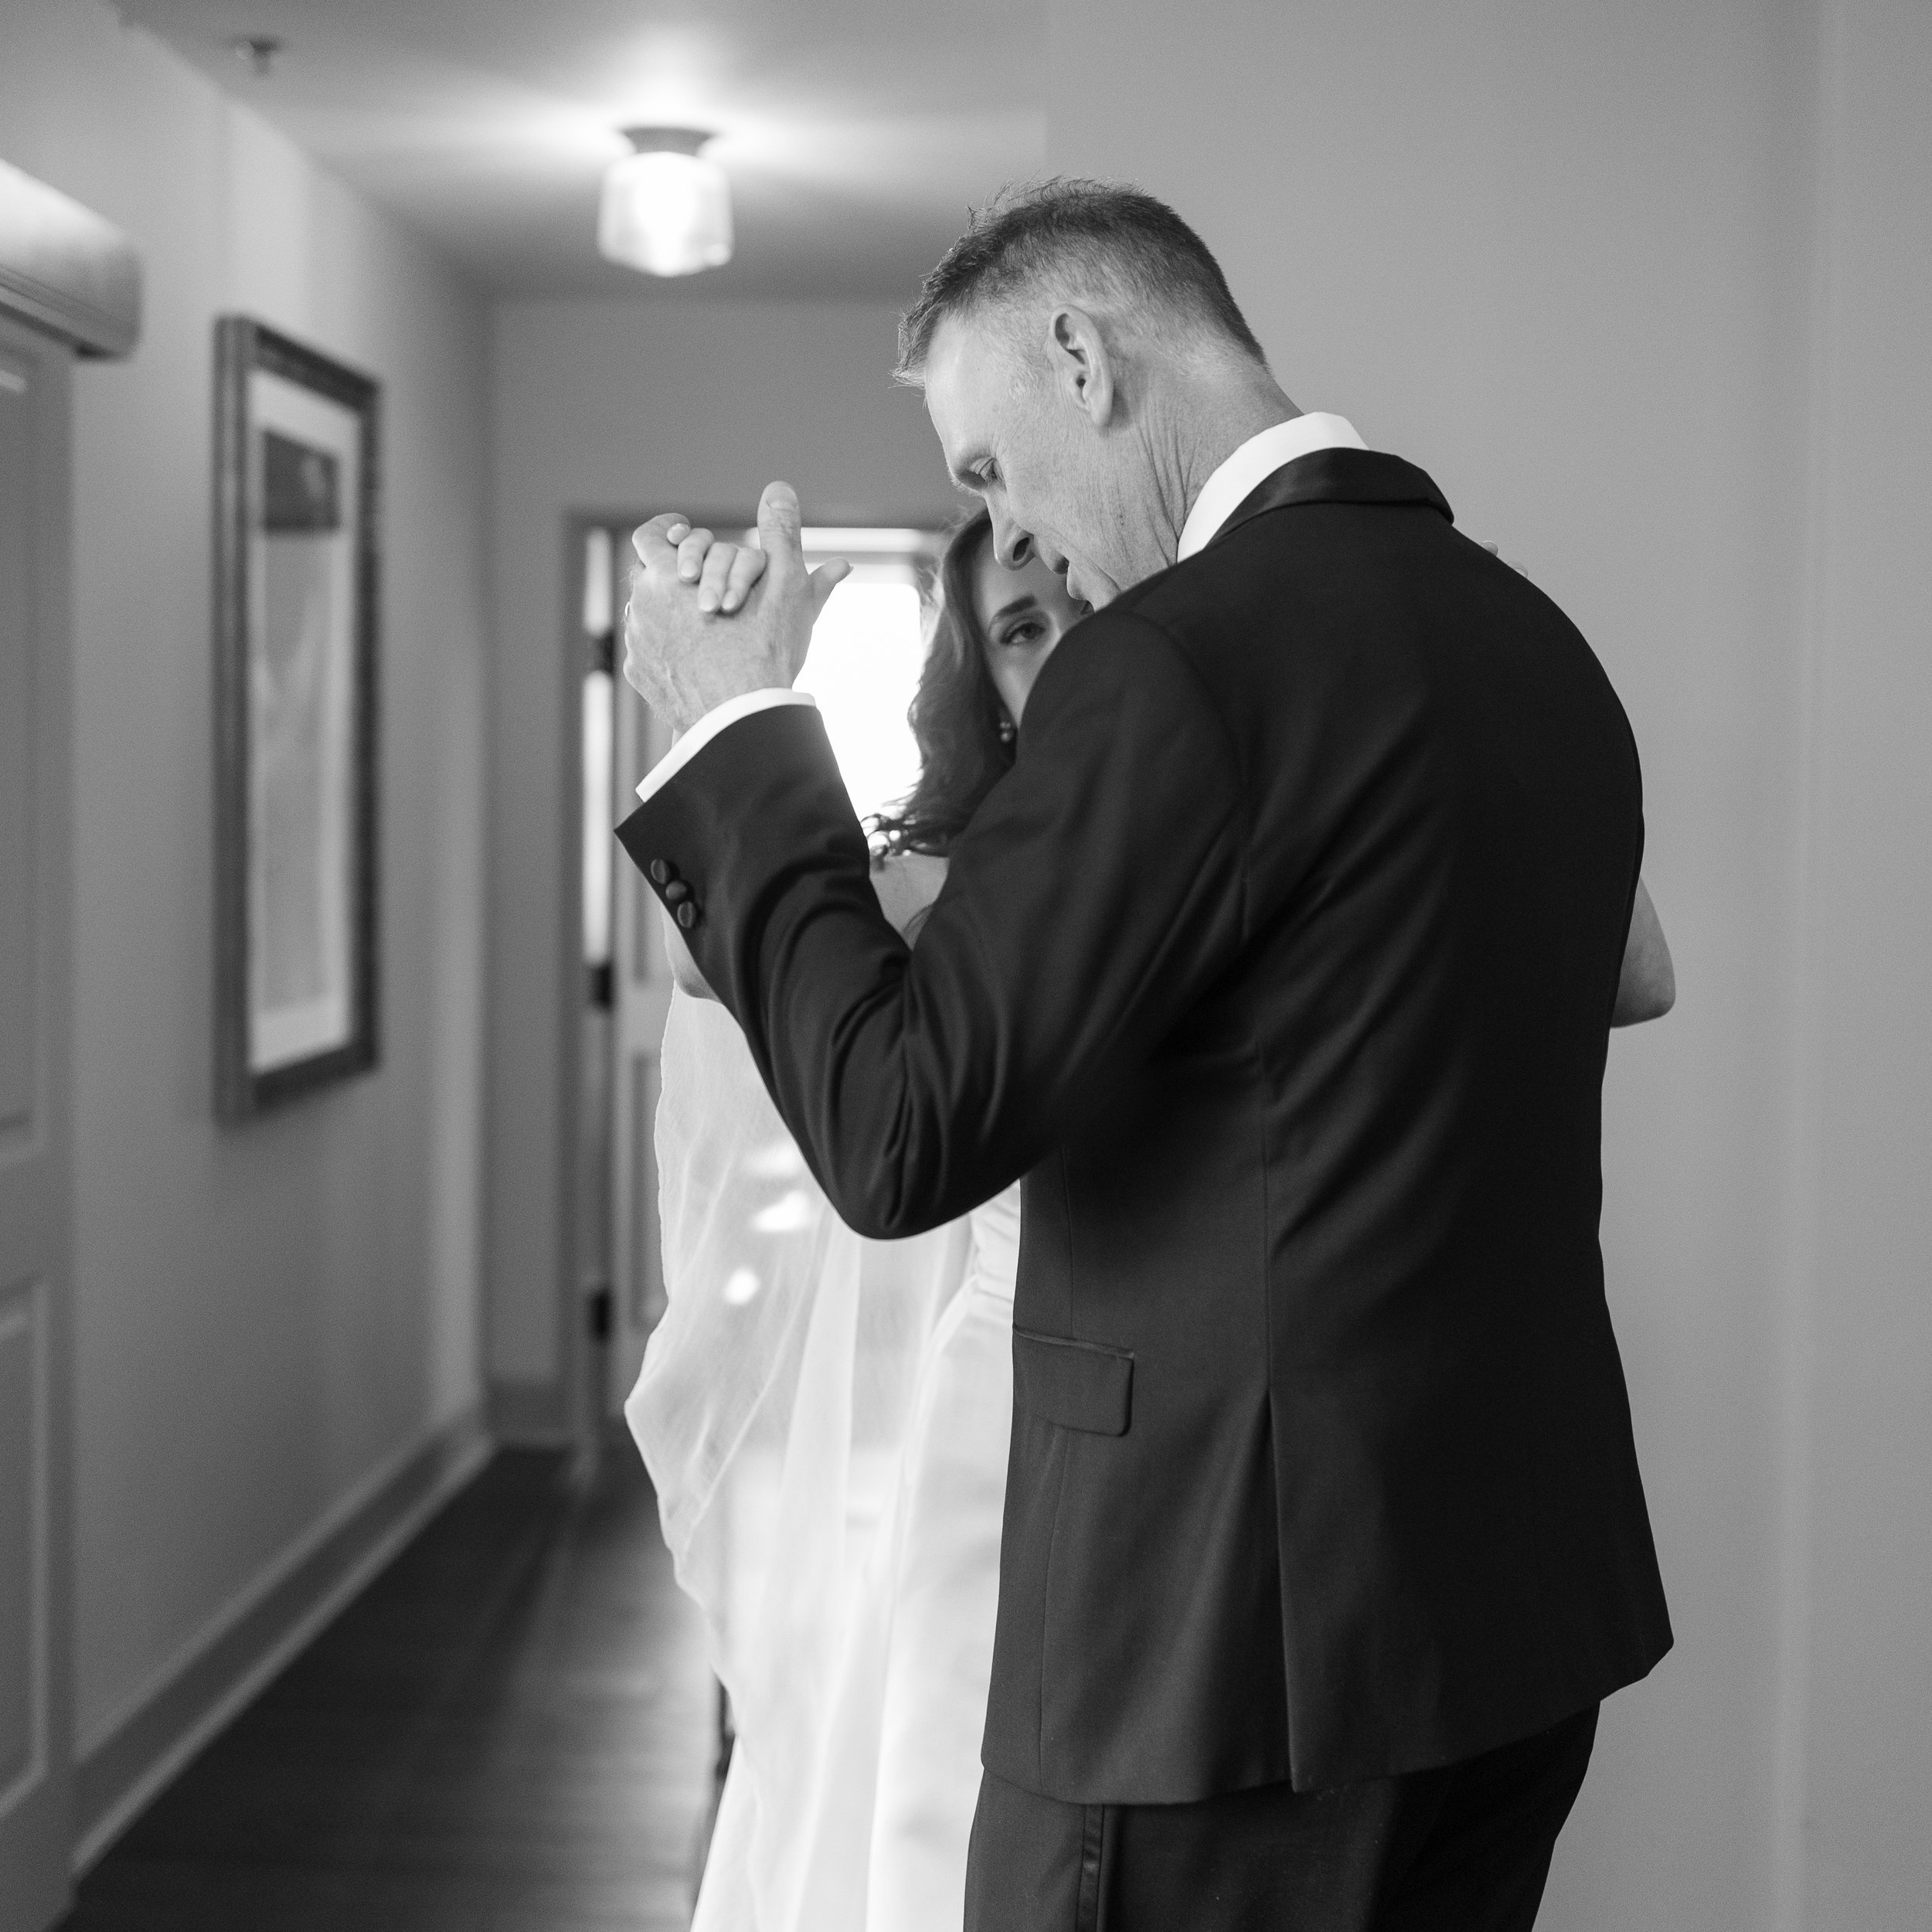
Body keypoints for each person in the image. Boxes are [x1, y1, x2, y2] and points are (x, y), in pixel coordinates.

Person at [618, 179, 1677, 1931]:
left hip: (1219, 1658)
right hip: (1503, 1635)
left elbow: (896, 1131)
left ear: (1079, 355)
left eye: (987, 466)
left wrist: (734, 720)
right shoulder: (1529, 641)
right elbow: (1620, 972)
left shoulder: (1176, 662)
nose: (1014, 527)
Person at [631, 513, 1087, 1931]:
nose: (1062, 647)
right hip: (985, 1457)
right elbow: (702, 962)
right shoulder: (943, 891)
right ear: (987, 690)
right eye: (1018, 629)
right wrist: (737, 702)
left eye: (1080, 598)